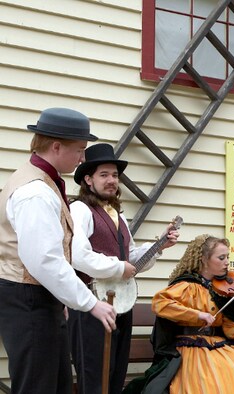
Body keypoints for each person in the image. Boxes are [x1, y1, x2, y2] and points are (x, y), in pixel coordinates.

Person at [0, 108, 116, 393]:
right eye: (79, 149)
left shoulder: (40, 180)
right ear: (56, 147)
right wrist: (90, 303)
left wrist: (60, 299)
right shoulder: (35, 191)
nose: (81, 158)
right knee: (39, 386)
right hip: (28, 299)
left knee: (57, 383)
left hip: (36, 297)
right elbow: (43, 260)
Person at [68, 143, 180, 394]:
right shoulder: (80, 210)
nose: (111, 181)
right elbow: (78, 255)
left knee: (116, 376)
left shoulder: (117, 215)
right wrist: (120, 268)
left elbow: (130, 258)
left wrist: (159, 245)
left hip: (120, 304)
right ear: (88, 179)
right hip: (90, 305)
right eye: (104, 175)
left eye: (115, 175)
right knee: (95, 379)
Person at [126, 235, 234, 393]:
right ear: (204, 259)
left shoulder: (221, 292)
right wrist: (198, 315)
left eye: (228, 257)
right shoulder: (187, 285)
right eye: (221, 257)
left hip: (220, 347)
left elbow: (230, 331)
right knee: (213, 377)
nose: (227, 262)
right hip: (191, 348)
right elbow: (160, 303)